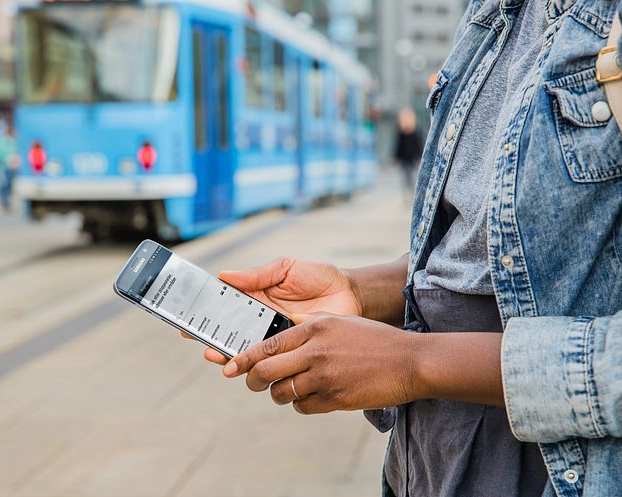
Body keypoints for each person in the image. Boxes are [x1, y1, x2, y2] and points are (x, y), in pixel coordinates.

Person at [193, 1, 622, 496]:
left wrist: (414, 362)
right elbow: (477, 251)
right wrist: (359, 292)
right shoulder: (494, 12)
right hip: (430, 462)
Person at [393, 107, 423, 192]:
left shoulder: (416, 132)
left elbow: (419, 145)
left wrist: (419, 156)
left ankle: (413, 190)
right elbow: (398, 146)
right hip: (404, 159)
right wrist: (396, 157)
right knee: (406, 176)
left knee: (413, 175)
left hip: (413, 158)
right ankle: (408, 191)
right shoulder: (401, 134)